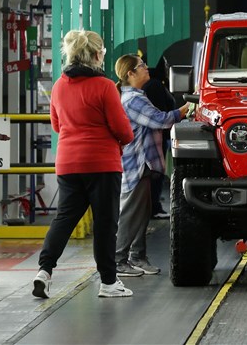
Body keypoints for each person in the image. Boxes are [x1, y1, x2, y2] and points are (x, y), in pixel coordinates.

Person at [33, 30, 134, 299]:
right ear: (96, 55)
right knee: (104, 223)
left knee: (64, 219)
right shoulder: (103, 87)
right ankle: (109, 283)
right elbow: (123, 130)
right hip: (102, 163)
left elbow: (56, 125)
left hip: (67, 163)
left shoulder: (58, 86)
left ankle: (44, 271)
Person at [113, 54, 190, 277]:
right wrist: (185, 110)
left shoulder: (138, 95)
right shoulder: (133, 100)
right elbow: (161, 120)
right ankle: (118, 260)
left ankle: (137, 256)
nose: (147, 69)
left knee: (141, 212)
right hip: (136, 162)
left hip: (143, 162)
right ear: (131, 74)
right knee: (130, 213)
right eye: (142, 66)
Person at [142, 57, 177, 219]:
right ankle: (153, 207)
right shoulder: (155, 86)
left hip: (155, 136)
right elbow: (161, 116)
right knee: (155, 173)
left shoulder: (153, 85)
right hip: (156, 137)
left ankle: (152, 206)